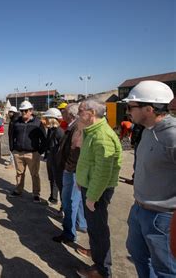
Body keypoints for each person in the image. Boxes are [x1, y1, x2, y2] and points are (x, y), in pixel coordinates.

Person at [123, 80, 176, 277]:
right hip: (139, 209)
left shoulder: (172, 135)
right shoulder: (147, 131)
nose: (128, 111)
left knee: (166, 269)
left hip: (163, 217)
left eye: (131, 107)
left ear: (148, 108)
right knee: (138, 254)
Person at [75, 99, 122, 278]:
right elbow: (89, 162)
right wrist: (81, 180)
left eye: (80, 111)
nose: (78, 114)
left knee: (99, 229)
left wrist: (92, 196)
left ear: (91, 113)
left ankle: (102, 270)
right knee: (95, 228)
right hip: (91, 187)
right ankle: (97, 256)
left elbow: (102, 172)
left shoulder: (102, 135)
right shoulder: (91, 131)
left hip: (97, 191)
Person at [52, 103, 87, 244]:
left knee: (69, 202)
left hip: (71, 171)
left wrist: (68, 167)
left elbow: (75, 150)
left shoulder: (76, 127)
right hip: (73, 170)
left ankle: (69, 233)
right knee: (76, 201)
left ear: (70, 114)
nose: (62, 115)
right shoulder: (74, 125)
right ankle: (82, 224)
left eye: (64, 112)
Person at [7, 100, 46, 202]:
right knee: (19, 173)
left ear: (31, 111)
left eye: (25, 111)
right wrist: (12, 148)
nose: (23, 113)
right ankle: (18, 190)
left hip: (32, 154)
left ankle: (36, 194)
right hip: (18, 153)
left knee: (35, 174)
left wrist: (39, 151)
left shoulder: (38, 123)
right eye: (22, 111)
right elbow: (11, 135)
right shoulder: (16, 122)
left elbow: (44, 139)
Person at [42, 107, 64, 204]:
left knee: (57, 181)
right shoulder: (51, 131)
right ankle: (53, 197)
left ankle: (62, 205)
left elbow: (62, 149)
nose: (44, 121)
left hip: (57, 160)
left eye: (46, 119)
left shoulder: (59, 132)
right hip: (51, 158)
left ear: (51, 119)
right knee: (52, 179)